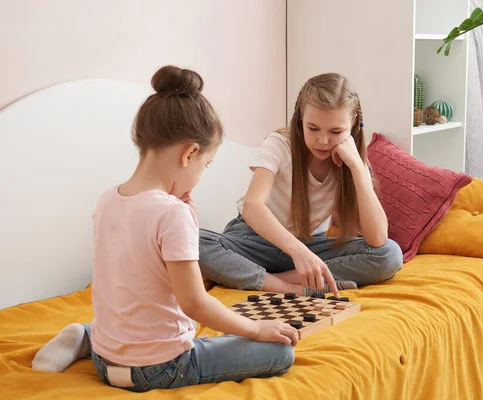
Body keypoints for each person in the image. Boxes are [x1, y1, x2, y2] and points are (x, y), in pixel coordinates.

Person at [31, 65, 297, 392]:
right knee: (280, 353)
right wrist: (256, 330)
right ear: (189, 153)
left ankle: (85, 335)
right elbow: (195, 303)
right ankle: (86, 335)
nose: (201, 175)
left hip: (106, 360)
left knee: (122, 314)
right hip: (161, 367)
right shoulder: (172, 213)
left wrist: (185, 215)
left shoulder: (108, 200)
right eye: (206, 165)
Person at [199, 72, 403, 298]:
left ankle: (267, 278)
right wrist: (298, 252)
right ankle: (288, 286)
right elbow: (252, 206)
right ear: (299, 120)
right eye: (313, 128)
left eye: (336, 131)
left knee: (389, 255)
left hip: (310, 245)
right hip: (254, 240)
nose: (323, 140)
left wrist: (356, 166)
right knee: (194, 241)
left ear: (354, 124)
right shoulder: (280, 145)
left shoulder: (352, 158)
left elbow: (376, 238)